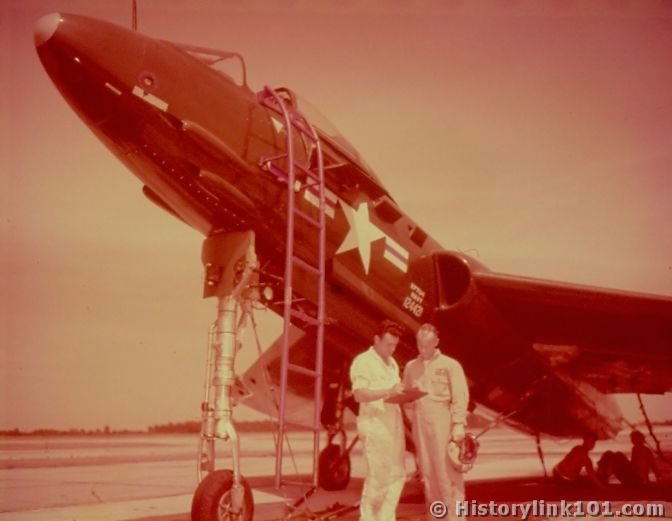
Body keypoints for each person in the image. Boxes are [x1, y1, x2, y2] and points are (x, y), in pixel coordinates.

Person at [402, 323, 469, 521]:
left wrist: (458, 424)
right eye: (420, 345)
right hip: (420, 423)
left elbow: (460, 395)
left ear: (436, 342)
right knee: (428, 474)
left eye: (427, 345)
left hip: (443, 422)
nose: (423, 349)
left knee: (447, 474)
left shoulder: (450, 365)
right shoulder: (411, 367)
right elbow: (406, 397)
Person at [350, 320, 407, 521]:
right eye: (388, 344)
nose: (392, 349)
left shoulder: (392, 364)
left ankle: (386, 518)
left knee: (398, 474)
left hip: (393, 425)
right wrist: (388, 391)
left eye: (395, 345)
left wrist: (407, 395)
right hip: (375, 425)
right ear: (376, 340)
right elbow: (359, 394)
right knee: (378, 477)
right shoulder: (363, 361)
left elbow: (394, 393)